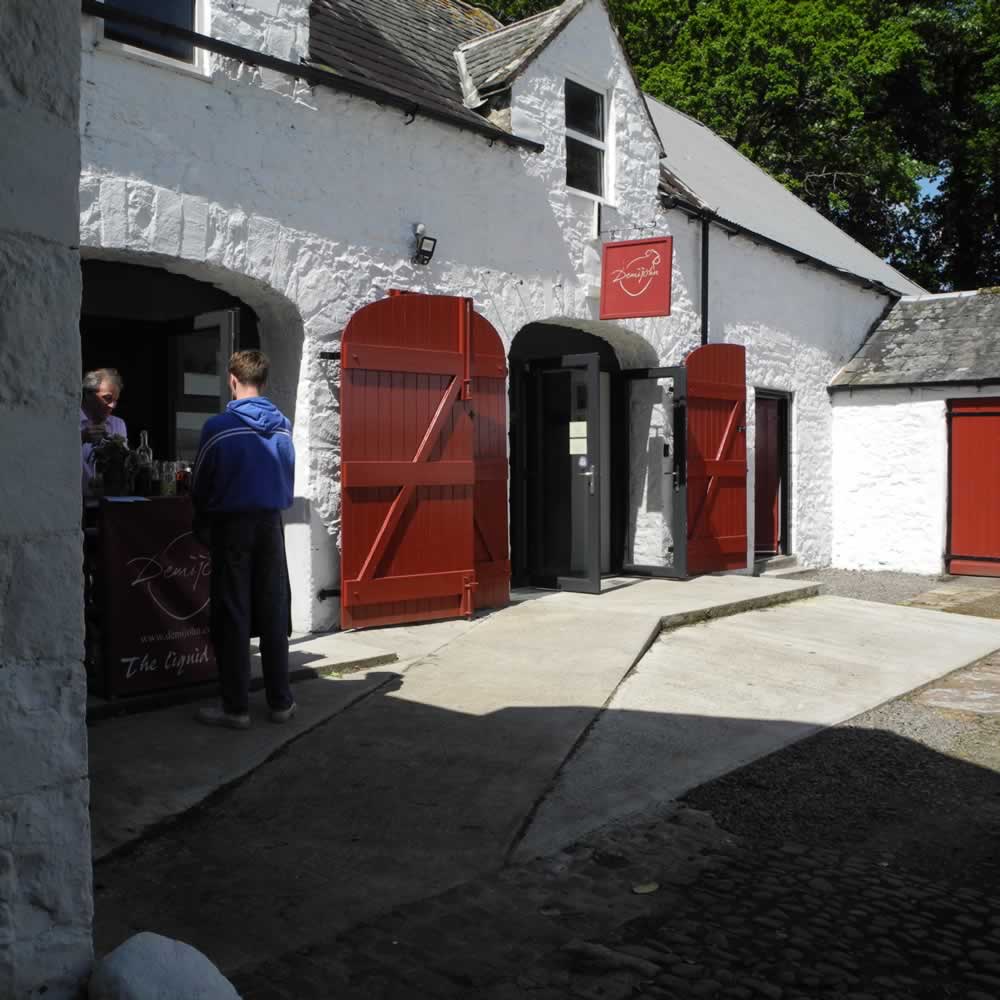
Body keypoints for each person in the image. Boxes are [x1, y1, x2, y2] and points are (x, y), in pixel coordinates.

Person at [191, 350, 297, 729]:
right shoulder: (283, 425)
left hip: (232, 525)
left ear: (233, 380)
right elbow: (288, 476)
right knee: (272, 610)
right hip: (271, 524)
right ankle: (281, 702)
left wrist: (203, 517)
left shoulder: (219, 427)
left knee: (232, 614)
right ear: (264, 382)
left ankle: (235, 708)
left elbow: (200, 481)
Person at [81, 368, 127, 493]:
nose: (112, 406)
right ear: (88, 394)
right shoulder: (69, 422)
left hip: (107, 502)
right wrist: (80, 439)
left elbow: (123, 469)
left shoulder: (118, 424)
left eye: (115, 401)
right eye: (107, 398)